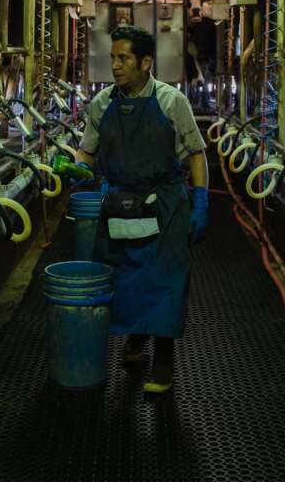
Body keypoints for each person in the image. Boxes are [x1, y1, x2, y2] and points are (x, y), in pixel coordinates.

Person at [74, 24, 208, 394]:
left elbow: (196, 153)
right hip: (119, 203)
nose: (115, 66)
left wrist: (200, 200)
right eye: (112, 58)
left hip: (166, 204)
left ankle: (163, 362)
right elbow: (87, 150)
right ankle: (137, 339)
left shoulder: (170, 101)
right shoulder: (102, 104)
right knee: (126, 279)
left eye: (124, 58)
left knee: (165, 281)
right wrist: (75, 168)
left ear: (146, 62)